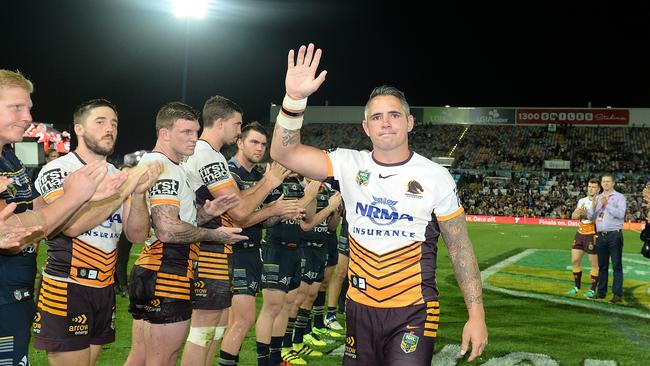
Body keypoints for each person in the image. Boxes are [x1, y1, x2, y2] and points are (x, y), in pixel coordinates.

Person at [269, 44, 488, 365]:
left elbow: (459, 247)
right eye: (377, 117)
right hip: (359, 309)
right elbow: (283, 154)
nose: (385, 122)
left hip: (414, 310)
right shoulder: (347, 164)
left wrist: (476, 314)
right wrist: (293, 100)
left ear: (410, 122)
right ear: (366, 127)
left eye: (394, 115)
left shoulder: (436, 176)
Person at [0, 69, 125, 366]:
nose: (27, 116)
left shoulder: (10, 157)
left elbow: (33, 221)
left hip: (17, 291)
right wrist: (74, 197)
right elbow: (13, 235)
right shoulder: (55, 167)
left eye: (28, 107)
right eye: (16, 107)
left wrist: (86, 198)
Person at [32, 98, 162, 366]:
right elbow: (72, 225)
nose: (109, 129)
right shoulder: (58, 169)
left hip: (103, 287)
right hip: (68, 285)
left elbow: (137, 235)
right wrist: (126, 188)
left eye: (113, 123)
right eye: (100, 122)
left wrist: (137, 195)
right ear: (79, 129)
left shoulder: (115, 173)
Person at [125, 102, 246, 366]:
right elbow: (168, 230)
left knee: (140, 357)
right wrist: (216, 235)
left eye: (196, 131)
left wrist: (205, 213)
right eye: (186, 132)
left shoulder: (164, 164)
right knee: (163, 359)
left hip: (151, 267)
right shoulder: (163, 166)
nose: (194, 138)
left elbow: (165, 223)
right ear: (164, 134)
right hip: (168, 268)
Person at [181, 97, 296, 366]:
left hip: (219, 250)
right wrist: (270, 184)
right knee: (202, 331)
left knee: (216, 327)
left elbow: (241, 207)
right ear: (220, 123)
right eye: (237, 124)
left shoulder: (211, 155)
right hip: (207, 250)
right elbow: (241, 213)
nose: (238, 129)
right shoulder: (208, 155)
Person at [218, 122, 304, 366]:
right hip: (232, 251)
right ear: (240, 142)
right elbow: (239, 216)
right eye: (254, 142)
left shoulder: (258, 176)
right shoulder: (229, 172)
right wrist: (272, 207)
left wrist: (282, 213)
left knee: (234, 321)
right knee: (243, 319)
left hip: (252, 251)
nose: (259, 148)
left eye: (263, 144)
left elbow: (263, 221)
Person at [588, 174, 627, 304]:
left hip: (614, 235)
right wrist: (593, 208)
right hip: (600, 235)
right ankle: (601, 292)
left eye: (608, 181)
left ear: (613, 183)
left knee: (616, 265)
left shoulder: (619, 197)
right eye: (603, 181)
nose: (605, 183)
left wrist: (607, 205)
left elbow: (621, 215)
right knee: (602, 266)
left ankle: (617, 294)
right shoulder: (598, 197)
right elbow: (592, 217)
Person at [565, 178, 600, 298]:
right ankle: (577, 287)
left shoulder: (601, 201)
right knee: (575, 261)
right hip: (580, 233)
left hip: (592, 233)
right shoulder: (582, 201)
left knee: (594, 264)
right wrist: (578, 214)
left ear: (598, 189)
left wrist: (587, 214)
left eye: (594, 187)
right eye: (589, 186)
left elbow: (599, 219)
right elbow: (574, 216)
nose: (591, 189)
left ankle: (592, 289)